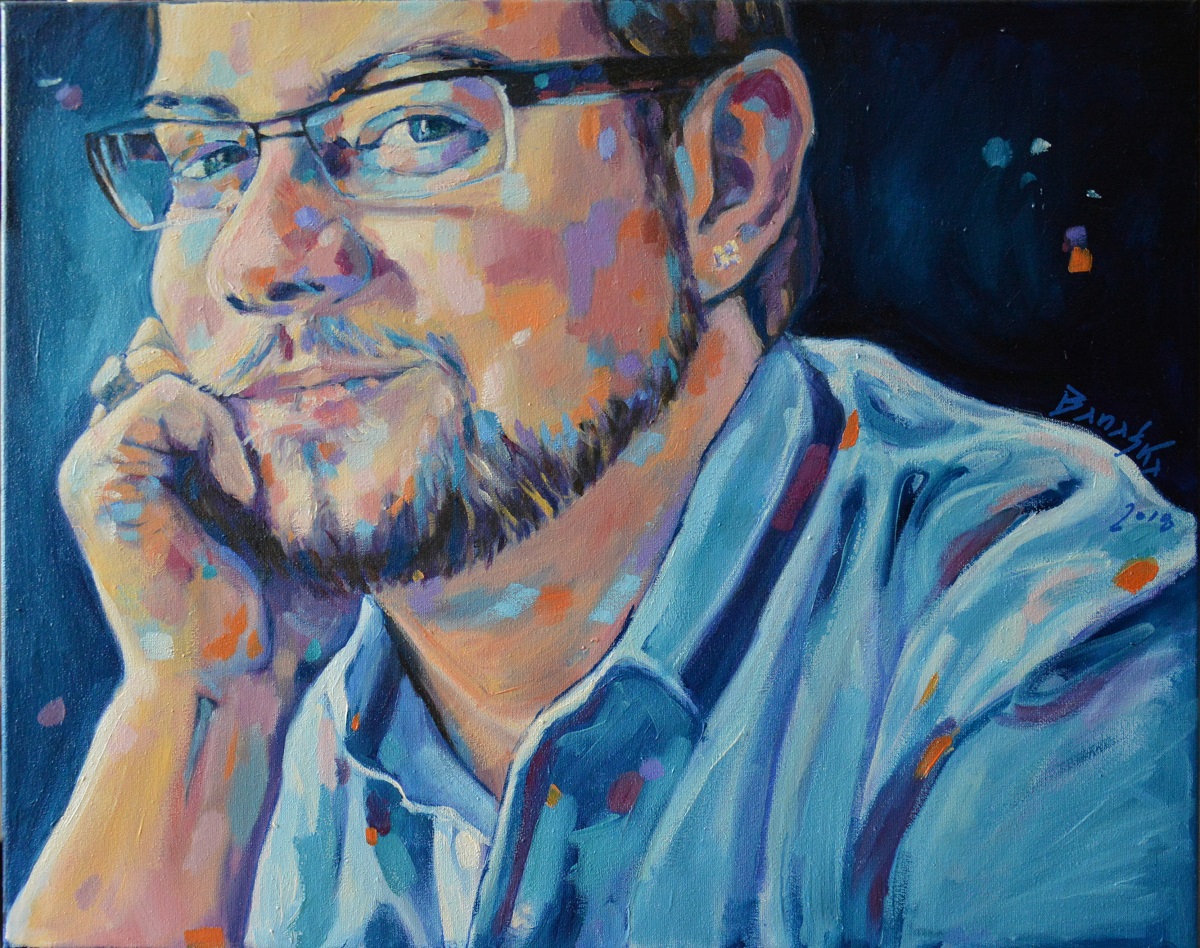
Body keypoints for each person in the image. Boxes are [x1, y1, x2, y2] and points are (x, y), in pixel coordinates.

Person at [8, 2, 1195, 946]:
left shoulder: (1057, 654)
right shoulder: (270, 738)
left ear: (727, 175)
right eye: (208, 156)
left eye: (418, 126)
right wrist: (204, 700)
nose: (259, 258)